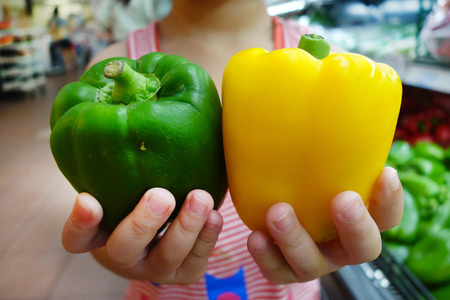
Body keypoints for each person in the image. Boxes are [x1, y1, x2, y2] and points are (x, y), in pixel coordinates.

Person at [62, 0, 404, 299]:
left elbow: (341, 195)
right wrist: (129, 258)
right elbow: (96, 218)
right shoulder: (108, 74)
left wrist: (334, 252)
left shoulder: (338, 67)